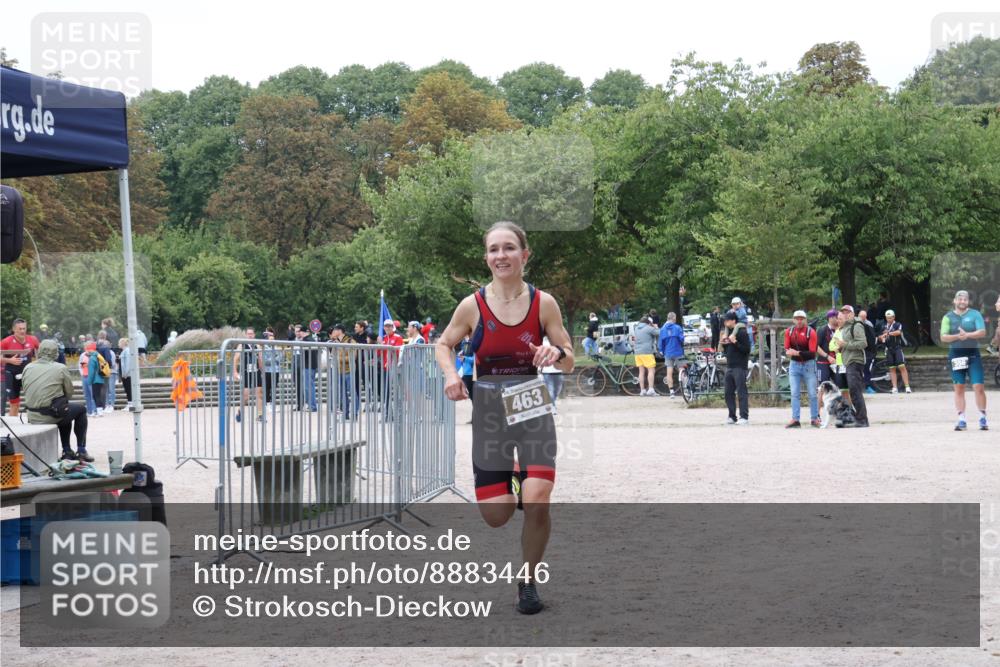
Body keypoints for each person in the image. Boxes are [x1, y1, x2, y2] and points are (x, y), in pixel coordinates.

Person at [435, 221, 574, 615]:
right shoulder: (472, 306)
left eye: (509, 247)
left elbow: (568, 358)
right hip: (490, 412)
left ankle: (527, 581)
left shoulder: (543, 303)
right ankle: (515, 475)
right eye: (494, 249)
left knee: (538, 500)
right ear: (486, 258)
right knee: (497, 515)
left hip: (530, 403)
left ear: (524, 254)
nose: (501, 255)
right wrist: (450, 375)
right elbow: (443, 344)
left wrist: (556, 354)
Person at [21, 339, 93, 462]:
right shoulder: (60, 368)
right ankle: (81, 450)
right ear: (55, 353)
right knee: (80, 410)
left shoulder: (28, 367)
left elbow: (25, 388)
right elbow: (69, 393)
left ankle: (67, 450)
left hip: (32, 415)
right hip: (50, 415)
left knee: (64, 409)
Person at [940, 290, 987, 431]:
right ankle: (961, 419)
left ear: (968, 301)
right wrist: (957, 337)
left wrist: (967, 335)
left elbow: (982, 332)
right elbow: (943, 337)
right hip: (956, 356)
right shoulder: (947, 317)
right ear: (954, 301)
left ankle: (982, 417)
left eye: (965, 299)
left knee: (978, 387)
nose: (962, 301)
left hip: (973, 356)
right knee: (959, 387)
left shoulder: (975, 314)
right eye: (959, 299)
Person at [784, 310, 820, 428]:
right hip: (794, 365)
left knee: (812, 393)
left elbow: (812, 353)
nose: (799, 321)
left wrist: (797, 353)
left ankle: (814, 419)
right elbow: (787, 349)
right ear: (793, 320)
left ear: (805, 320)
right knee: (794, 393)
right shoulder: (789, 332)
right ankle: (795, 419)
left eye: (801, 319)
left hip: (809, 365)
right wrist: (790, 352)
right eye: (797, 319)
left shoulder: (811, 332)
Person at [1, 318, 41, 418]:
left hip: (28, 374)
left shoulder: (32, 339)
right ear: (14, 329)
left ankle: (35, 421)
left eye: (24, 328)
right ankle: (13, 425)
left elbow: (41, 352)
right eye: (20, 329)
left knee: (34, 400)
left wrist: (38, 363)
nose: (22, 331)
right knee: (14, 404)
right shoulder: (6, 341)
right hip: (11, 374)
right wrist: (9, 360)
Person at [838, 305, 870, 427]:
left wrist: (845, 345)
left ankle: (862, 420)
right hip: (849, 361)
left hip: (855, 361)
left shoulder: (856, 325)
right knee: (854, 390)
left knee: (855, 390)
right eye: (843, 312)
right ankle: (860, 418)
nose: (845, 314)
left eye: (847, 312)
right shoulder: (846, 326)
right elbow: (850, 343)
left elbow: (863, 343)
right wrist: (841, 348)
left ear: (852, 314)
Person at [721, 311, 751, 425]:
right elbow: (728, 350)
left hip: (740, 366)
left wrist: (735, 342)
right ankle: (732, 416)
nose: (725, 322)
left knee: (741, 392)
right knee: (728, 392)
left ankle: (744, 416)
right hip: (729, 366)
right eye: (725, 320)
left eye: (727, 320)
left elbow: (747, 349)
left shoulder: (742, 332)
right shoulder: (728, 332)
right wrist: (724, 343)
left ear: (733, 321)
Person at [233, 326, 264, 422]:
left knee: (259, 393)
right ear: (246, 335)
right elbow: (235, 359)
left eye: (251, 334)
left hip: (256, 371)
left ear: (254, 335)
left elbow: (260, 359)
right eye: (248, 334)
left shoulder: (257, 345)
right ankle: (240, 411)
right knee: (245, 395)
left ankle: (260, 415)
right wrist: (235, 372)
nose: (250, 335)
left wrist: (262, 371)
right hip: (246, 372)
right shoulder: (242, 345)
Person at [329, 324, 359, 419]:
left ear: (340, 331)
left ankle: (354, 413)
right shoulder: (335, 342)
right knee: (342, 394)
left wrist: (339, 359)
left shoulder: (351, 341)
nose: (333, 332)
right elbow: (332, 355)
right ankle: (345, 414)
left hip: (349, 371)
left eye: (334, 330)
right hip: (339, 371)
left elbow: (353, 356)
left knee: (352, 393)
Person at [879, 310, 911, 394]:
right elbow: (880, 337)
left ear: (894, 317)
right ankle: (894, 388)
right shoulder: (883, 326)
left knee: (901, 366)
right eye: (887, 318)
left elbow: (898, 332)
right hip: (888, 349)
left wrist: (888, 333)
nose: (889, 319)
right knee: (892, 368)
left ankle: (907, 387)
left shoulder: (897, 324)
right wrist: (882, 337)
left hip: (897, 348)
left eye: (890, 318)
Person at [657, 312, 685, 397]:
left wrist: (662, 351)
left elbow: (660, 343)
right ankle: (685, 389)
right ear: (673, 318)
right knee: (682, 370)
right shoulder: (677, 327)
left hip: (668, 353)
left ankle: (671, 392)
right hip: (678, 352)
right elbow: (682, 339)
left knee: (669, 372)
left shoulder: (662, 329)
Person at [632, 316, 659, 396]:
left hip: (637, 352)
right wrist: (655, 327)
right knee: (651, 370)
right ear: (648, 322)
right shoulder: (648, 328)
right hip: (647, 352)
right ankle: (650, 389)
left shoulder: (636, 328)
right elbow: (659, 332)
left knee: (641, 371)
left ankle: (642, 390)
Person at [85, 341, 108, 418]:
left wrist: (89, 381)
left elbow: (91, 372)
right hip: (101, 378)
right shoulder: (98, 356)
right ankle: (100, 411)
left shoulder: (92, 358)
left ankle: (99, 412)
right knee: (98, 395)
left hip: (95, 379)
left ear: (89, 350)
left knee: (96, 395)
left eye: (87, 349)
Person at [540, 335, 565, 405]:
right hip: (547, 371)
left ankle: (552, 404)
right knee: (550, 391)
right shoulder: (543, 342)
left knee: (556, 391)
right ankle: (552, 407)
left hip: (558, 371)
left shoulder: (558, 341)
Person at [816, 309, 839, 385]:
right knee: (823, 385)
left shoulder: (840, 330)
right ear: (830, 318)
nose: (838, 319)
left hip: (837, 362)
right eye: (836, 317)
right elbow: (816, 346)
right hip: (823, 362)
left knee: (841, 385)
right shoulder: (822, 330)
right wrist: (827, 357)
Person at [858, 309, 877, 394]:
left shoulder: (868, 324)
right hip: (860, 350)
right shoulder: (856, 324)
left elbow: (872, 339)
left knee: (867, 368)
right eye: (861, 317)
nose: (862, 318)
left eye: (864, 317)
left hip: (869, 351)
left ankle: (868, 386)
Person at [97, 331, 117, 412]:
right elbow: (110, 361)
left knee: (109, 389)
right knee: (107, 389)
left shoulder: (110, 352)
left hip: (107, 371)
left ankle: (109, 405)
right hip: (107, 371)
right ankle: (108, 405)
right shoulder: (106, 350)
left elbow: (112, 363)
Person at [118, 337, 135, 410]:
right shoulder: (124, 351)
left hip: (127, 375)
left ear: (122, 343)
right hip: (125, 374)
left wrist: (125, 373)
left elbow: (128, 363)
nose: (118, 344)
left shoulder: (127, 351)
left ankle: (131, 404)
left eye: (119, 343)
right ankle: (129, 403)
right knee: (127, 389)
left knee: (128, 389)